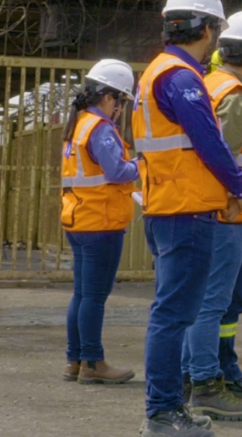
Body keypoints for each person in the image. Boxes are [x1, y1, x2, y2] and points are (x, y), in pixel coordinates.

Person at [134, 0, 242, 437]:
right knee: (173, 316)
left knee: (172, 313)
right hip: (185, 211)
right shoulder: (181, 78)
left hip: (167, 207)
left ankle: (165, 409)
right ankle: (163, 412)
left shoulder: (156, 72)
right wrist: (237, 185)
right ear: (206, 29)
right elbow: (209, 140)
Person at [183, 10, 242, 419]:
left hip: (217, 212)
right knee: (212, 302)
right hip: (225, 213)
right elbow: (220, 157)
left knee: (212, 301)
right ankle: (205, 382)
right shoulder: (236, 96)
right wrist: (238, 194)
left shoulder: (208, 84)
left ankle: (200, 375)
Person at [60, 58, 139, 386]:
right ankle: (93, 362)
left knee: (82, 295)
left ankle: (75, 360)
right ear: (109, 98)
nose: (121, 110)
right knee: (93, 296)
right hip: (101, 222)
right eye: (121, 102)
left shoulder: (79, 124)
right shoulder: (100, 128)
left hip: (79, 219)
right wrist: (145, 164)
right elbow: (117, 171)